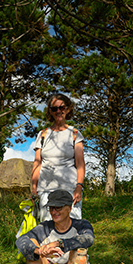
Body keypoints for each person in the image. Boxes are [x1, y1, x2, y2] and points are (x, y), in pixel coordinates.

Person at [16, 189, 94, 264]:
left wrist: (59, 243)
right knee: (31, 248)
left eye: (58, 208)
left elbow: (88, 239)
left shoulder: (81, 225)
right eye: (51, 208)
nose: (54, 212)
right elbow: (21, 240)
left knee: (76, 249)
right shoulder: (45, 227)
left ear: (69, 208)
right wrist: (39, 250)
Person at [30, 93, 86, 222]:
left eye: (62, 107)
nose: (58, 111)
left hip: (69, 190)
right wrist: (34, 188)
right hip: (45, 190)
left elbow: (80, 164)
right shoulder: (42, 134)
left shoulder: (75, 134)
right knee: (47, 229)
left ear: (67, 109)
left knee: (72, 228)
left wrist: (79, 187)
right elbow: (37, 163)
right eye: (54, 109)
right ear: (50, 111)